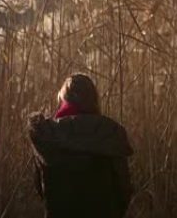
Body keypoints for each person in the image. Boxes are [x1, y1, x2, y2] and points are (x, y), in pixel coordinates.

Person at [27, 74, 133, 218]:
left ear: (63, 100)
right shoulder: (109, 133)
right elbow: (124, 189)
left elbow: (40, 189)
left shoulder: (48, 136)